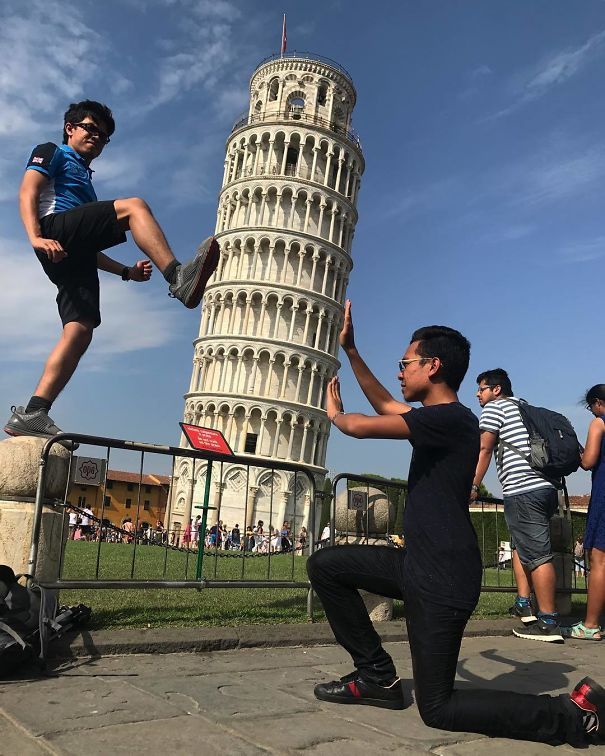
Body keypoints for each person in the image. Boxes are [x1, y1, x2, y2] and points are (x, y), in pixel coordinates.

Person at [305, 300, 604, 746]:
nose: (400, 372)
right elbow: (386, 402)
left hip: (443, 577)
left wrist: (333, 415)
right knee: (326, 566)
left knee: (439, 707)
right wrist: (351, 351)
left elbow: (362, 424)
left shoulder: (451, 420)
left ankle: (573, 716)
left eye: (405, 363)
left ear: (434, 365)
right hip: (417, 564)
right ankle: (376, 677)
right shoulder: (442, 420)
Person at [3, 100, 220, 441]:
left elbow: (89, 245)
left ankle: (34, 411)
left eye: (104, 136)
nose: (97, 137)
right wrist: (35, 238)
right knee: (134, 207)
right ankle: (178, 277)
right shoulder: (52, 152)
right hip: (53, 230)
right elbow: (27, 190)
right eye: (91, 128)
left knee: (80, 329)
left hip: (71, 252)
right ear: (69, 128)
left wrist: (125, 273)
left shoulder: (87, 187)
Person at [471, 369, 562, 643]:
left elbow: (484, 449)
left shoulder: (494, 409)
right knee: (522, 547)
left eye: (481, 389)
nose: (478, 394)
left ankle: (548, 622)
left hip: (524, 488)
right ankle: (524, 604)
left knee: (538, 554)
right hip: (545, 487)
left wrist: (473, 485)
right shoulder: (523, 407)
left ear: (496, 390)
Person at [562, 385, 605, 641]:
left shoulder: (599, 424)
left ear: (598, 403)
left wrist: (578, 452)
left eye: (591, 408)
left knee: (598, 560)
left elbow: (588, 462)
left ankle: (590, 625)